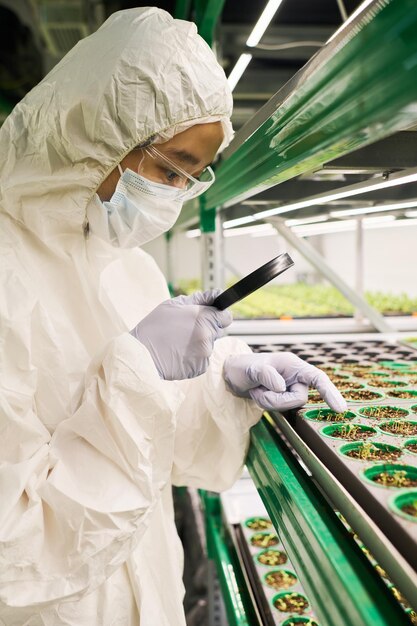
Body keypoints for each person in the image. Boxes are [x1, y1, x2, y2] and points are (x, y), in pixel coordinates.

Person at [0, 7, 346, 625]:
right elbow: (18, 551)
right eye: (168, 168)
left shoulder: (123, 263)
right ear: (93, 137)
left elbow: (151, 442)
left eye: (190, 177)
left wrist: (223, 383)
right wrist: (139, 367)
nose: (172, 195)